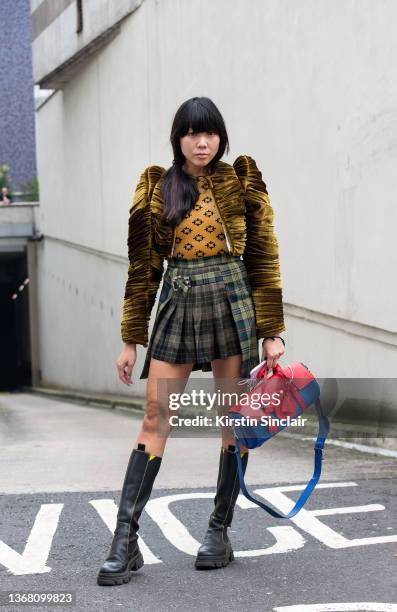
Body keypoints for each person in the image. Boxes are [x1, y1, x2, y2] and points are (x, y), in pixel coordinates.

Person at [97, 96, 286, 586]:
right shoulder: (158, 186)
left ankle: (218, 532)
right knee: (156, 417)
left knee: (233, 419)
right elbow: (143, 269)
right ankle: (125, 539)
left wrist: (272, 332)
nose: (202, 142)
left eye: (211, 133)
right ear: (177, 138)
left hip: (232, 300)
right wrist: (130, 339)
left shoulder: (240, 178)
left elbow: (263, 255)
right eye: (192, 133)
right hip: (177, 301)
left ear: (221, 137)